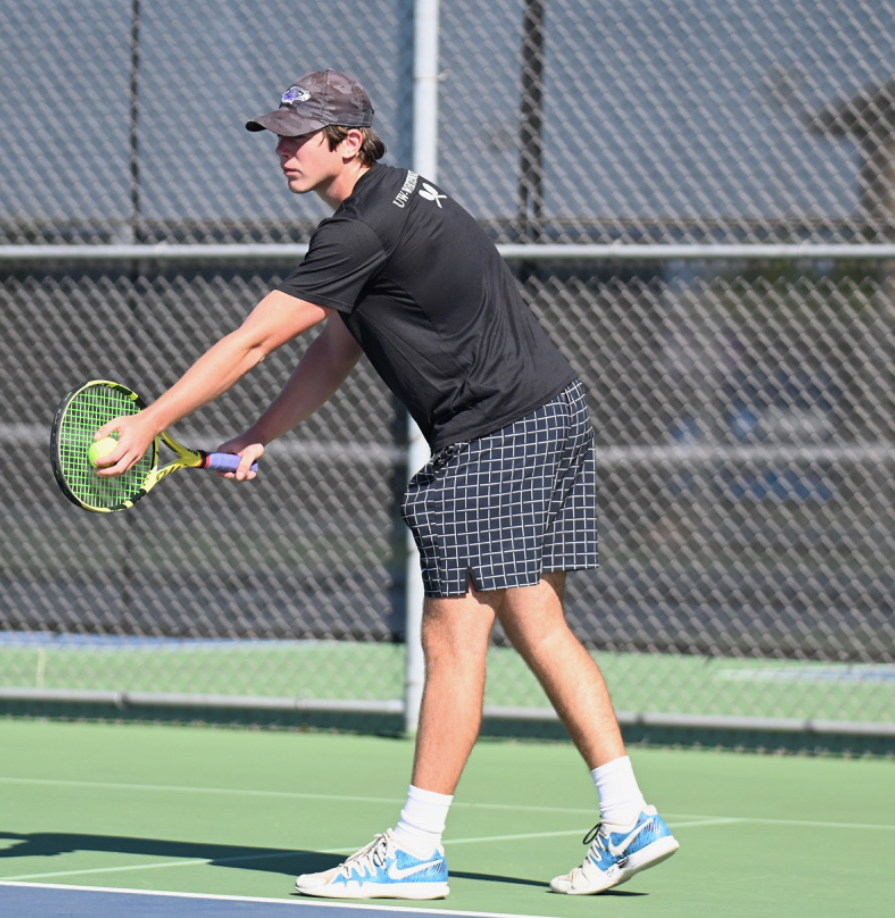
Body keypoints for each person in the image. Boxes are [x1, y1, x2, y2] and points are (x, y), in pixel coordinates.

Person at [93, 69, 679, 900]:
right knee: (537, 620)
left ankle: (414, 847)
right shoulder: (402, 195)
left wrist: (150, 422)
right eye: (279, 135)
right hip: (552, 408)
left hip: (491, 434)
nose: (285, 151)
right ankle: (627, 815)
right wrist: (260, 433)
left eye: (301, 136)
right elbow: (337, 345)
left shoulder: (356, 229)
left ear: (349, 140)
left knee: (451, 637)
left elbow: (254, 340)